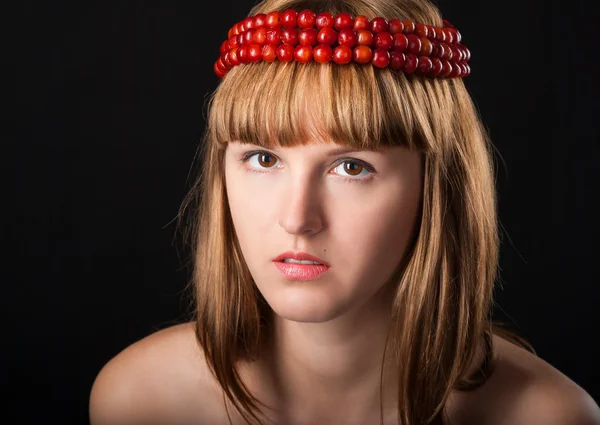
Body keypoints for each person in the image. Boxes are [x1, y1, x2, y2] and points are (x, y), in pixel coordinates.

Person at [89, 0, 600, 424]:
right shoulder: (140, 401)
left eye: (351, 167)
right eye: (263, 159)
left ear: (437, 187)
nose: (297, 218)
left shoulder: (546, 415)